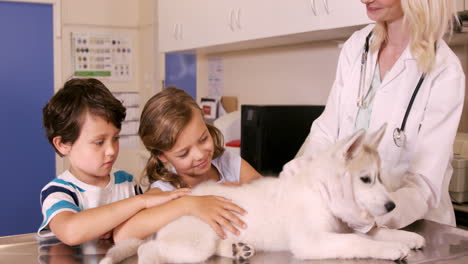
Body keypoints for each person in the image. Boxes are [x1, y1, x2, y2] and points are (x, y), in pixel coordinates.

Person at [283, 0, 464, 229]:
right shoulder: (357, 46)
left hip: (416, 228)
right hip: (344, 222)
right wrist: (304, 170)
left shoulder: (445, 70)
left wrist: (370, 216)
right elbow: (326, 132)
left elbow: (423, 185)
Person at [38, 78, 190, 245]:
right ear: (63, 145)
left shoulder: (127, 182)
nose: (111, 150)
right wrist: (141, 201)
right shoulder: (58, 192)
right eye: (99, 142)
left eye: (115, 138)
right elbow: (70, 231)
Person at [112, 87, 262, 241]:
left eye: (203, 139)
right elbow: (123, 234)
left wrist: (244, 191)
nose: (200, 155)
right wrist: (188, 205)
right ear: (161, 155)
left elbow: (265, 191)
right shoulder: (166, 190)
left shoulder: (227, 162)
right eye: (184, 153)